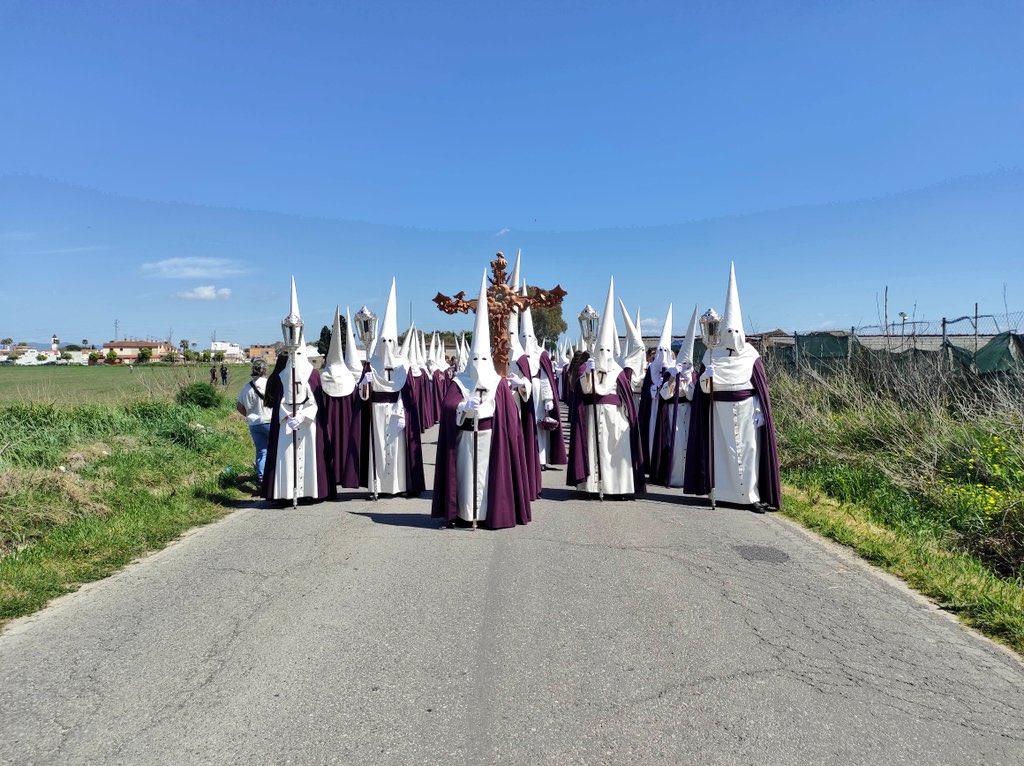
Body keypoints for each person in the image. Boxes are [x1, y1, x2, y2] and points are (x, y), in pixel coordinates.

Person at [432, 271, 532, 529]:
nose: (478, 365)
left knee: (488, 479)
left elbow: (509, 419)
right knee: (466, 479)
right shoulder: (460, 382)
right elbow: (447, 407)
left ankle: (489, 513)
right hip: (465, 439)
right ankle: (465, 515)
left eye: (482, 359)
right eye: (474, 360)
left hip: (490, 439)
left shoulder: (498, 383)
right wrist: (461, 407)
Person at [685, 263, 781, 512]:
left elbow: (760, 387)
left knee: (749, 451)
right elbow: (703, 391)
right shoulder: (711, 355)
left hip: (747, 410)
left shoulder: (751, 354)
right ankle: (724, 493)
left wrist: (760, 409)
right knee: (722, 453)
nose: (733, 335)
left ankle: (750, 496)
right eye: (729, 330)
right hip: (718, 412)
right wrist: (707, 377)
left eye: (737, 330)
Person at [567, 277, 646, 498]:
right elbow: (582, 390)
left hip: (615, 419)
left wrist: (627, 417)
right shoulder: (587, 368)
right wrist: (588, 373)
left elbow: (627, 399)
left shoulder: (618, 372)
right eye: (601, 351)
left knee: (614, 452)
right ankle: (592, 485)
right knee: (593, 449)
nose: (604, 355)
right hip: (592, 415)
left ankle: (618, 487)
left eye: (608, 351)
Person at [261, 277, 333, 503]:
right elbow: (278, 398)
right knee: (285, 456)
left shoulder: (312, 374)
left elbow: (315, 401)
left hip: (306, 422)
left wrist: (302, 415)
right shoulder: (282, 374)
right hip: (286, 422)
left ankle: (308, 491)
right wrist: (286, 415)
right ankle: (286, 492)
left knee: (308, 455)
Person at [358, 277, 425, 497]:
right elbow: (363, 396)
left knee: (397, 450)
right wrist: (365, 385)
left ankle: (398, 485)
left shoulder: (401, 365)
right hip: (376, 411)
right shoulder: (371, 363)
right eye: (383, 341)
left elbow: (409, 393)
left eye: (390, 341)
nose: (386, 346)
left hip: (396, 413)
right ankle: (377, 485)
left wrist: (404, 411)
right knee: (377, 446)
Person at [650, 305, 699, 488]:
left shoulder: (691, 377)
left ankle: (688, 477)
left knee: (688, 444)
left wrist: (689, 381)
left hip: (687, 412)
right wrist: (672, 379)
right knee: (676, 445)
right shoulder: (669, 374)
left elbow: (694, 396)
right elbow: (663, 394)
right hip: (673, 412)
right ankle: (673, 476)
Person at [321, 306, 362, 489]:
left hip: (328, 423)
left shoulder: (322, 376)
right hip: (347, 423)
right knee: (345, 444)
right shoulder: (349, 379)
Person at [639, 306, 675, 475]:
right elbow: (646, 391)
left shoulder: (673, 369)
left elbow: (672, 393)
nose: (661, 353)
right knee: (650, 434)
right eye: (659, 350)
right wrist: (653, 390)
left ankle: (662, 468)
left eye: (665, 350)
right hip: (652, 410)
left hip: (666, 410)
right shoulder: (651, 369)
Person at [236, 357, 272, 484]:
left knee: (262, 451)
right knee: (276, 449)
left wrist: (249, 415)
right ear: (264, 370)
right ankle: (274, 477)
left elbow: (239, 406)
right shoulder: (269, 384)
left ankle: (262, 479)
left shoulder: (246, 387)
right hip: (270, 421)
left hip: (254, 424)